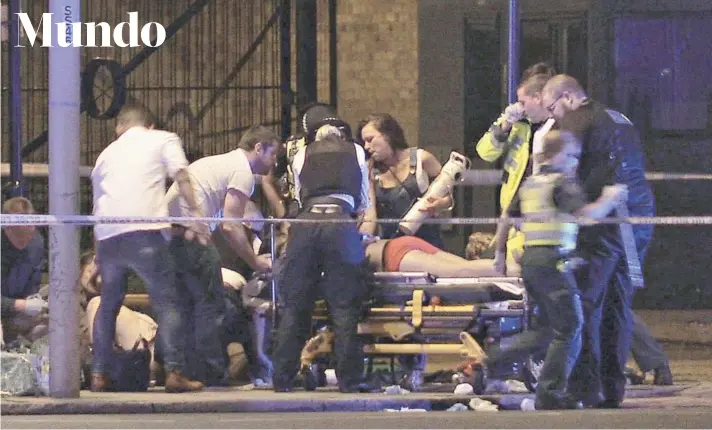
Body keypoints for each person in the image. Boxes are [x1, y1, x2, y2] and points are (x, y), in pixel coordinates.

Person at [542, 74, 656, 407]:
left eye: (553, 108)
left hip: (603, 224)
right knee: (619, 305)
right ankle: (613, 389)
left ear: (567, 97)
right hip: (636, 218)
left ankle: (586, 388)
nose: (553, 117)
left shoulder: (577, 119)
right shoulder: (619, 118)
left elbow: (569, 169)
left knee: (585, 305)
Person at [493, 130, 628, 409]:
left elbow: (507, 218)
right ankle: (549, 394)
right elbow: (587, 217)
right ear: (561, 155)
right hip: (553, 261)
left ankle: (495, 357)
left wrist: (499, 254)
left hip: (531, 260)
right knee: (571, 326)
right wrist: (610, 199)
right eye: (573, 156)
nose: (575, 162)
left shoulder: (531, 183)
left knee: (545, 329)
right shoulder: (562, 183)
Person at [90, 104, 204, 393]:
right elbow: (182, 175)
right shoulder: (163, 138)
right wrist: (197, 215)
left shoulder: (104, 156)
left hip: (108, 237)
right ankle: (175, 372)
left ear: (119, 127)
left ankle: (99, 374)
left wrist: (96, 257)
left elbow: (97, 206)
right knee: (167, 302)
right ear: (150, 125)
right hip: (146, 233)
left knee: (108, 306)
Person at [164, 124, 279, 385]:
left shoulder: (219, 162)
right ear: (258, 148)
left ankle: (181, 371)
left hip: (170, 236)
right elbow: (231, 225)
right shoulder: (242, 171)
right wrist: (256, 261)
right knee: (211, 305)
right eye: (273, 154)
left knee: (184, 305)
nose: (274, 162)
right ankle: (210, 374)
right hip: (191, 234)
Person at [272, 125, 377, 393]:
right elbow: (363, 201)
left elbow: (297, 196)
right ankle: (348, 380)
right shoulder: (356, 152)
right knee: (344, 307)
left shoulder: (301, 154)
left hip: (306, 224)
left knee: (296, 306)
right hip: (340, 222)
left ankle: (282, 378)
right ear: (341, 138)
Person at [475, 63, 557, 274]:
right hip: (512, 214)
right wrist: (505, 126)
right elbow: (485, 152)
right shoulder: (518, 123)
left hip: (540, 214)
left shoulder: (559, 126)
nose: (521, 106)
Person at [358, 113, 452, 249]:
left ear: (388, 135)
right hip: (392, 248)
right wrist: (361, 242)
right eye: (364, 142)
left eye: (370, 139)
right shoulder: (370, 170)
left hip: (429, 244)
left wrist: (439, 204)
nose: (366, 146)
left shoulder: (423, 159)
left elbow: (448, 196)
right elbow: (370, 215)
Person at [1, 197, 48, 344]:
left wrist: (33, 299)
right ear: (6, 227)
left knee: (64, 298)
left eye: (29, 235)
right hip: (9, 307)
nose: (25, 242)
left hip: (19, 310)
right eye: (19, 237)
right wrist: (21, 305)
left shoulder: (36, 243)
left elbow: (34, 282)